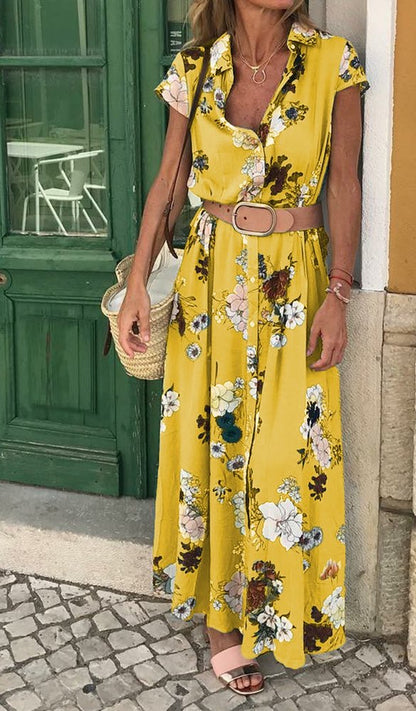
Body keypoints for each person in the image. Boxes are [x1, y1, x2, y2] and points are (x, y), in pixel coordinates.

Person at [118, 0, 369, 697]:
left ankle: (283, 612)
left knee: (289, 457)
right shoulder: (196, 67)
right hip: (210, 281)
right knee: (214, 451)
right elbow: (169, 181)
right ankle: (222, 625)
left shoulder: (334, 63)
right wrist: (138, 281)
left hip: (298, 284)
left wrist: (339, 291)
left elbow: (345, 182)